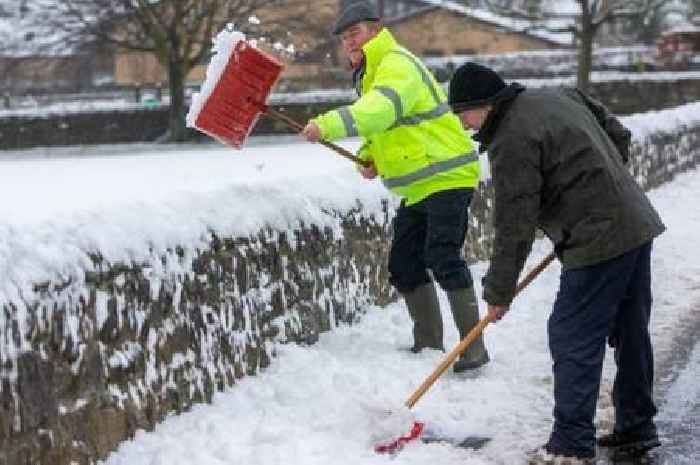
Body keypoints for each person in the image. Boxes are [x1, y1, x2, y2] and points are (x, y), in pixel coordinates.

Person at [447, 62, 665, 464]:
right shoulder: (559, 94)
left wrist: (499, 291)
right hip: (635, 222)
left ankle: (571, 444)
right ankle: (637, 427)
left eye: (463, 114)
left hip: (598, 240)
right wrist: (596, 191)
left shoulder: (510, 138)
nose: (463, 125)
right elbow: (619, 135)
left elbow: (515, 222)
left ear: (485, 106)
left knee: (571, 336)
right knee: (630, 330)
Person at [301, 2, 489, 372]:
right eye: (343, 39)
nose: (348, 43)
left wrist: (326, 125)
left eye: (353, 34)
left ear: (375, 30)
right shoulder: (372, 73)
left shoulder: (396, 64)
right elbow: (386, 126)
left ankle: (474, 348)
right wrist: (371, 154)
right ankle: (429, 343)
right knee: (404, 265)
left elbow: (379, 111)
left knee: (442, 257)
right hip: (420, 184)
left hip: (447, 175)